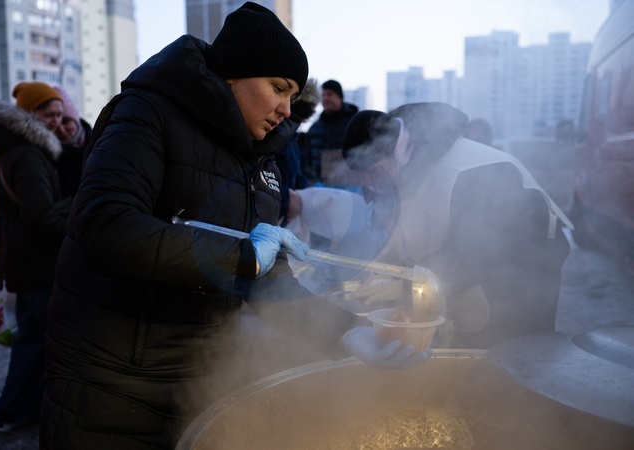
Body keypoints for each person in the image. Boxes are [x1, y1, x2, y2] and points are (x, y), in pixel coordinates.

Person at [39, 4, 429, 449]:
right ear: (232, 73)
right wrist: (240, 257)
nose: (286, 108)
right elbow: (104, 226)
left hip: (199, 382)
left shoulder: (262, 164)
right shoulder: (148, 115)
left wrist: (345, 331)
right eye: (278, 88)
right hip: (109, 382)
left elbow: (266, 280)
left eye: (293, 96)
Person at [341, 103, 572, 349]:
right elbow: (406, 236)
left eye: (371, 172)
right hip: (475, 262)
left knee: (514, 346)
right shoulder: (401, 173)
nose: (366, 182)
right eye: (360, 176)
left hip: (527, 261)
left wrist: (404, 285)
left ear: (392, 152)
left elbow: (477, 253)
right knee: (468, 330)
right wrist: (388, 271)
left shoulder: (469, 172)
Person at [0, 81, 68, 432]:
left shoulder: (10, 150)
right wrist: (76, 213)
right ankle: (19, 410)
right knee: (42, 341)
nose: (56, 121)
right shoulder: (30, 155)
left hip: (21, 262)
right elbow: (41, 217)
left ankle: (18, 410)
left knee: (31, 340)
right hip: (38, 264)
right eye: (48, 114)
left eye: (60, 114)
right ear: (29, 116)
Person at [275, 78, 319, 225]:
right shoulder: (274, 131)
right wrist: (286, 197)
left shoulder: (291, 135)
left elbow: (296, 172)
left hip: (286, 210)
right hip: (276, 209)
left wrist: (310, 194)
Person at [302, 79, 359, 186]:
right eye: (323, 95)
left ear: (340, 97)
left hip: (352, 186)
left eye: (330, 94)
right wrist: (312, 181)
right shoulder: (314, 128)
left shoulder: (355, 123)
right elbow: (307, 159)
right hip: (319, 186)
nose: (325, 98)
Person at [52, 86, 93, 198]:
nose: (61, 130)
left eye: (65, 121)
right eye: (56, 126)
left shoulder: (99, 142)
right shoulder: (51, 157)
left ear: (75, 118)